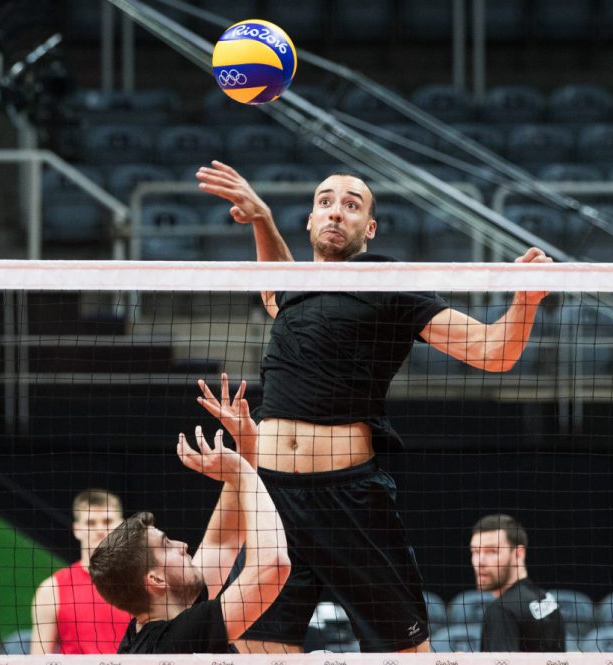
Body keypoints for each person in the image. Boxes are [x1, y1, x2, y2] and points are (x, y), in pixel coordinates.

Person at [195, 161, 553, 653]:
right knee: (254, 644)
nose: (335, 212)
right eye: (325, 202)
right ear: (310, 220)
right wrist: (261, 218)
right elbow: (274, 287)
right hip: (275, 500)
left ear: (370, 227)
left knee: (404, 653)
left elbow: (495, 352)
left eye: (351, 204)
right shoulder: (295, 290)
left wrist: (525, 301)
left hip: (349, 501)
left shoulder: (390, 282)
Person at [90, 375, 291, 654]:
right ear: (155, 580)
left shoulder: (157, 626)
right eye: (167, 546)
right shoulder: (177, 640)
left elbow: (224, 541)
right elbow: (274, 565)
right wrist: (242, 474)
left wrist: (245, 448)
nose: (183, 545)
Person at [30, 489, 131, 654]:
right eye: (91, 523)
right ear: (77, 529)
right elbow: (38, 658)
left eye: (107, 521)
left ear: (122, 526)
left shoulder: (145, 581)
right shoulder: (51, 590)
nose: (100, 530)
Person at [470, 514, 565, 652]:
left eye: (491, 551)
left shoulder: (501, 611)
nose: (479, 562)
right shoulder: (547, 600)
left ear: (518, 554)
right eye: (475, 551)